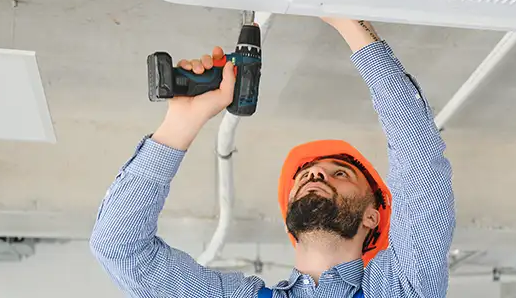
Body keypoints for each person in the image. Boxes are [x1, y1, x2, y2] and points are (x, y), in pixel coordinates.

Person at [89, 17, 456, 298]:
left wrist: (349, 24)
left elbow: (419, 165)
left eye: (340, 173)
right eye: (307, 174)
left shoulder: (402, 288)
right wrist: (181, 122)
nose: (316, 175)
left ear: (372, 216)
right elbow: (121, 250)